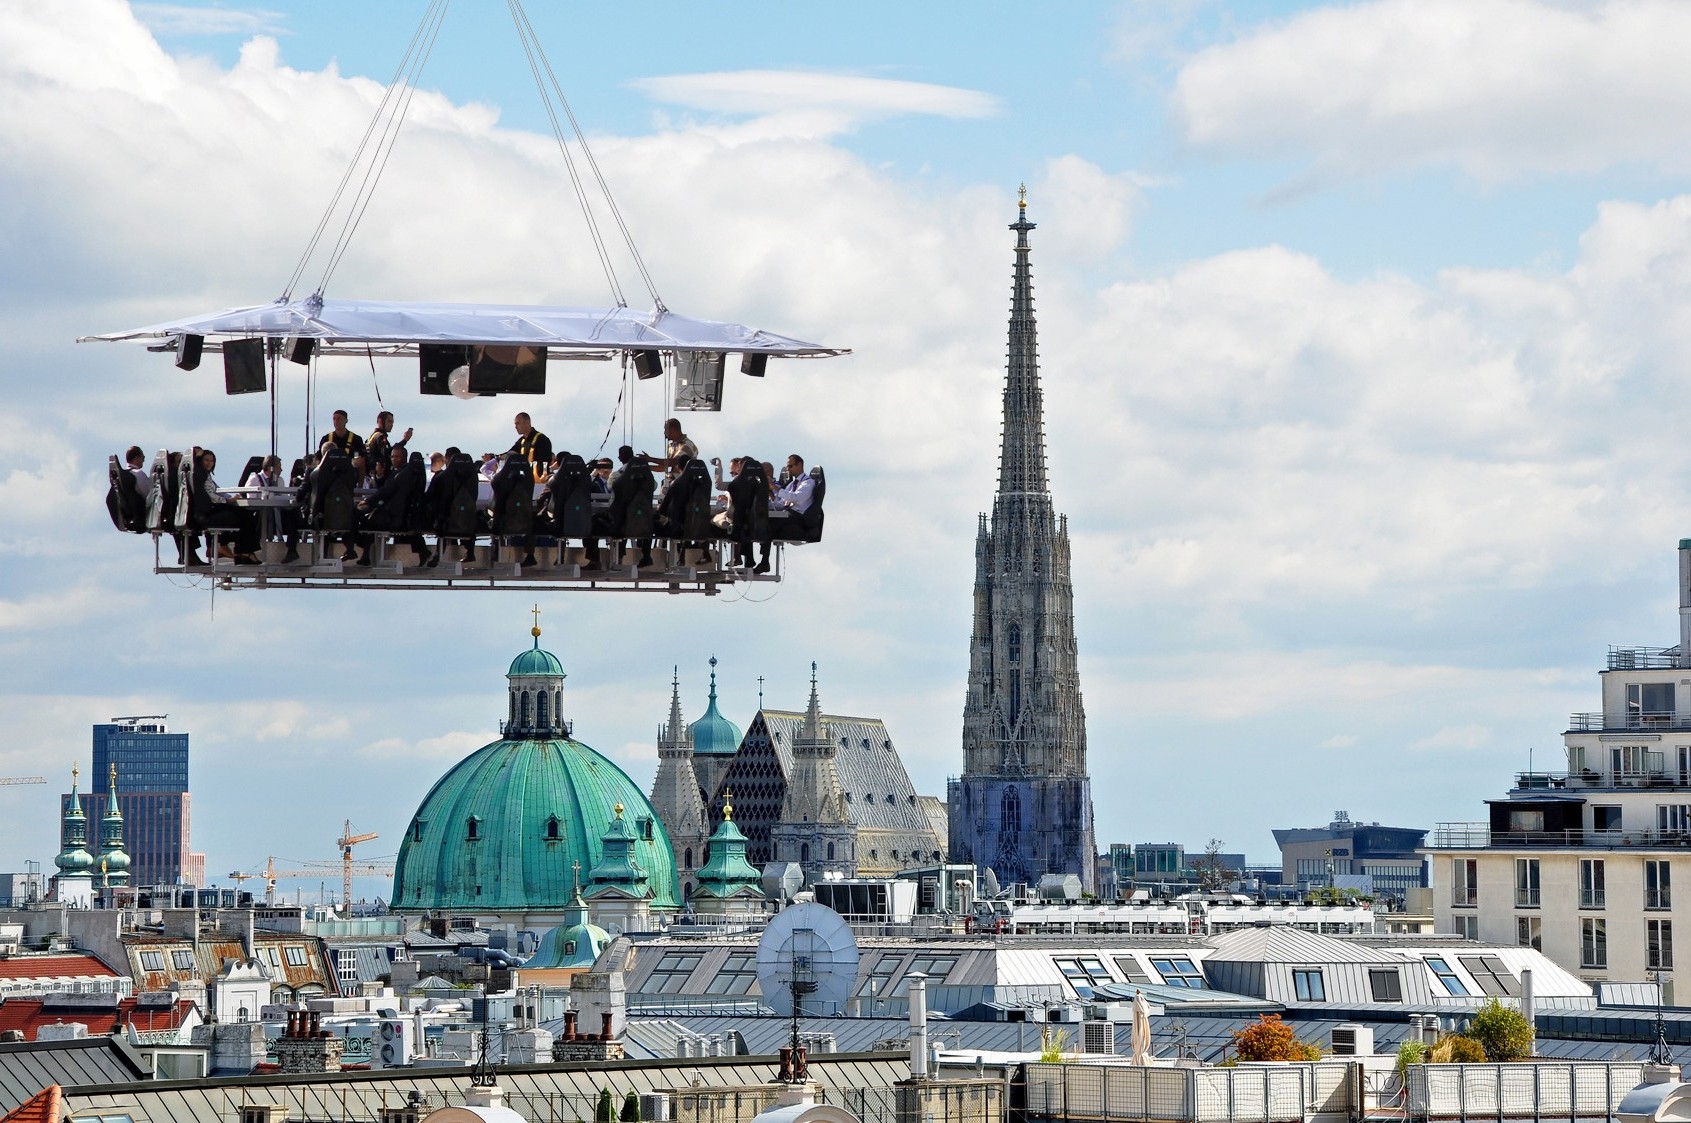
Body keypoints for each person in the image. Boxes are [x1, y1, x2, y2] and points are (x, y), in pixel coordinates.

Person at [189, 449, 260, 564]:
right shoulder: (201, 474)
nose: (209, 463)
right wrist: (228, 500)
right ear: (200, 461)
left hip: (205, 511)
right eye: (206, 460)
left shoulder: (200, 474)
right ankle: (245, 553)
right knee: (245, 515)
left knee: (243, 515)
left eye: (212, 461)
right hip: (207, 513)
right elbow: (211, 496)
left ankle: (242, 552)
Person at [639, 418, 698, 498]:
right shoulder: (671, 446)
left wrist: (650, 459)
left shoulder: (687, 444)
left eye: (665, 429)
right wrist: (646, 467)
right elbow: (664, 467)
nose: (664, 432)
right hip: (670, 485)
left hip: (683, 486)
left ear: (673, 429)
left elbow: (674, 462)